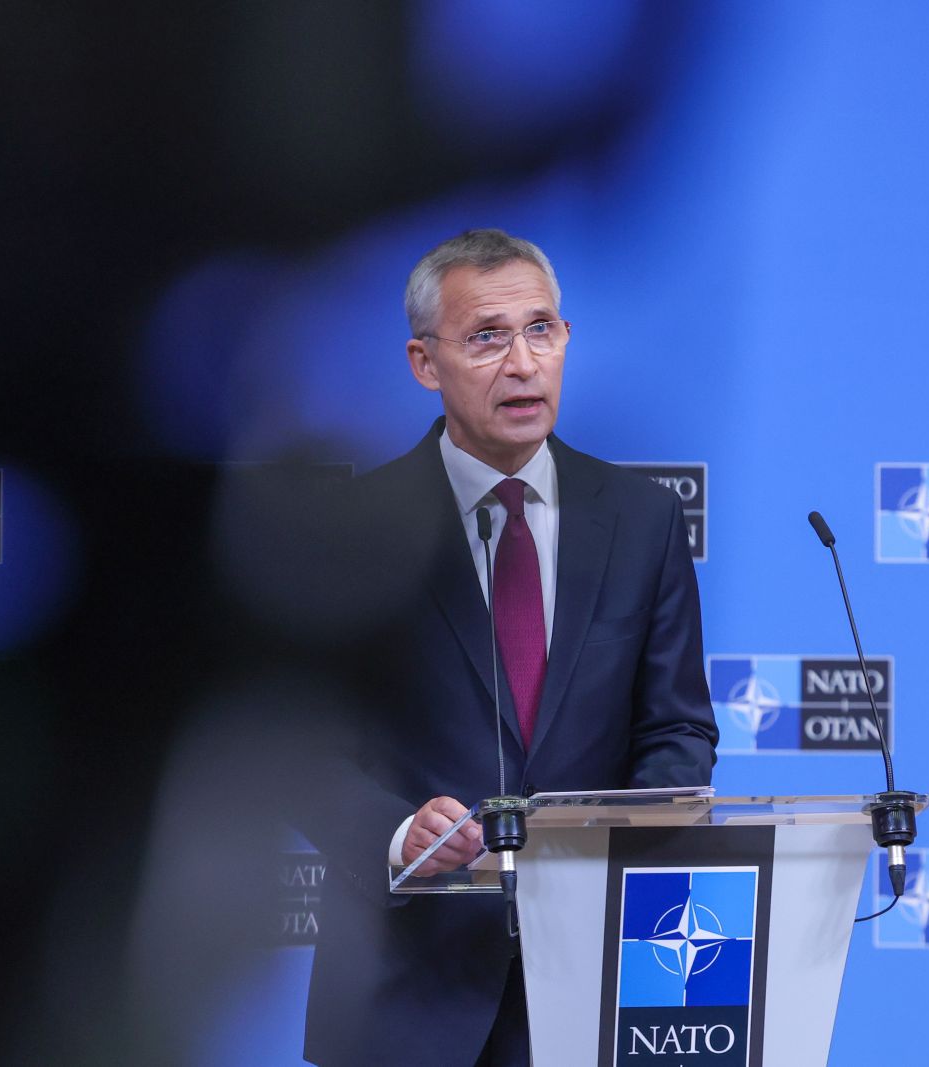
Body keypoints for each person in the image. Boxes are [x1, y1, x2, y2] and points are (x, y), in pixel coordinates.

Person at [296, 229, 718, 1067]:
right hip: (405, 997)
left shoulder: (643, 521)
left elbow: (678, 730)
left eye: (542, 330)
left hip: (594, 985)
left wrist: (619, 843)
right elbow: (310, 744)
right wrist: (396, 832)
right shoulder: (359, 530)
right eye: (487, 336)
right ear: (425, 362)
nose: (522, 362)